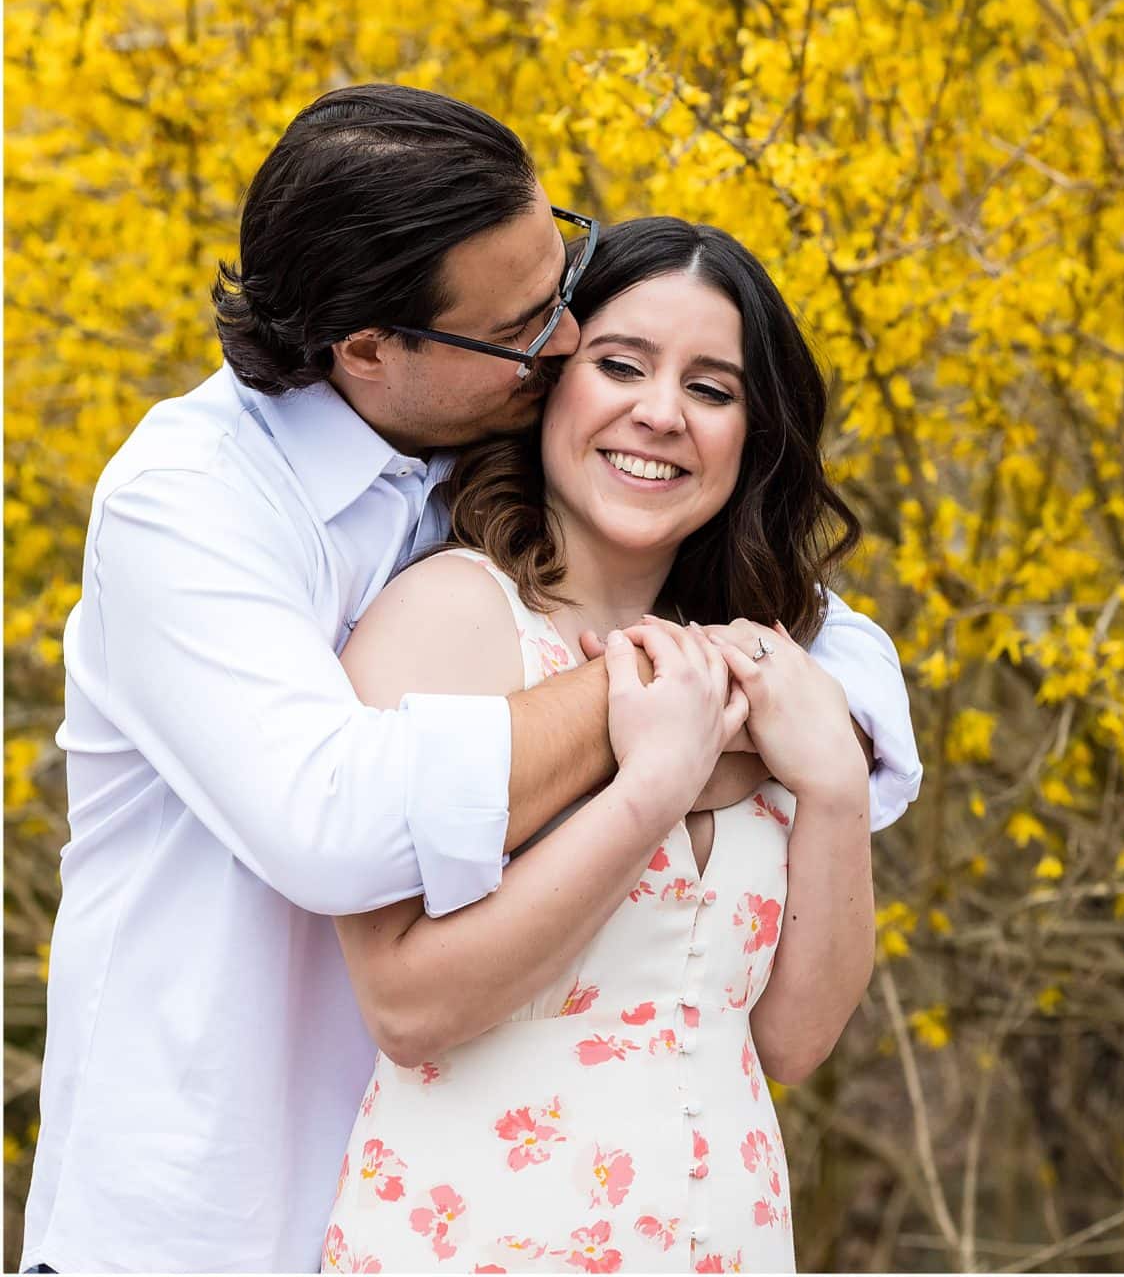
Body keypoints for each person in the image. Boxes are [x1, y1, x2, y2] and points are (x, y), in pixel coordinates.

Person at [21, 87, 921, 1276]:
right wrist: (657, 719)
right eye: (535, 324)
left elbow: (833, 656)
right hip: (207, 1215)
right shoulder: (191, 506)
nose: (558, 340)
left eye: (567, 274)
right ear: (370, 349)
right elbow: (334, 823)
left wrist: (801, 727)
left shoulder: (463, 453)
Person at [324, 217, 880, 1273]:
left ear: (751, 437)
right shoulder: (447, 619)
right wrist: (647, 796)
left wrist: (838, 788)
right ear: (548, 385)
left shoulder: (765, 664)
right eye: (619, 365)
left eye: (712, 389)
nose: (660, 413)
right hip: (484, 1240)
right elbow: (406, 1006)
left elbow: (787, 1042)